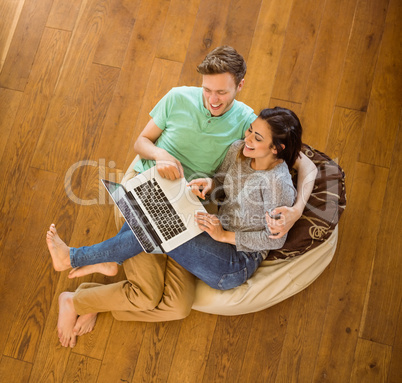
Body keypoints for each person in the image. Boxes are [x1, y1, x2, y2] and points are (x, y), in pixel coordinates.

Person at [47, 46, 317, 348]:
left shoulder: (261, 150)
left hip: (226, 249)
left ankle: (92, 260)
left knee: (172, 274)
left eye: (222, 93)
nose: (213, 100)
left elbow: (298, 178)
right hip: (160, 192)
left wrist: (289, 212)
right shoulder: (230, 142)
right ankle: (86, 291)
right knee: (162, 294)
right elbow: (216, 180)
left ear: (240, 87)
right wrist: (206, 183)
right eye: (207, 90)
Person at [65, 107, 301, 291]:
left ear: (277, 148)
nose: (248, 138)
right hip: (216, 231)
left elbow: (274, 241)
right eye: (250, 130)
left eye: (257, 138)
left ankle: (75, 257)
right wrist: (210, 185)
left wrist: (224, 235)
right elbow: (220, 181)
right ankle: (109, 259)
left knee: (162, 224)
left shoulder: (277, 185)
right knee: (158, 208)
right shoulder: (238, 150)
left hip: (235, 262)